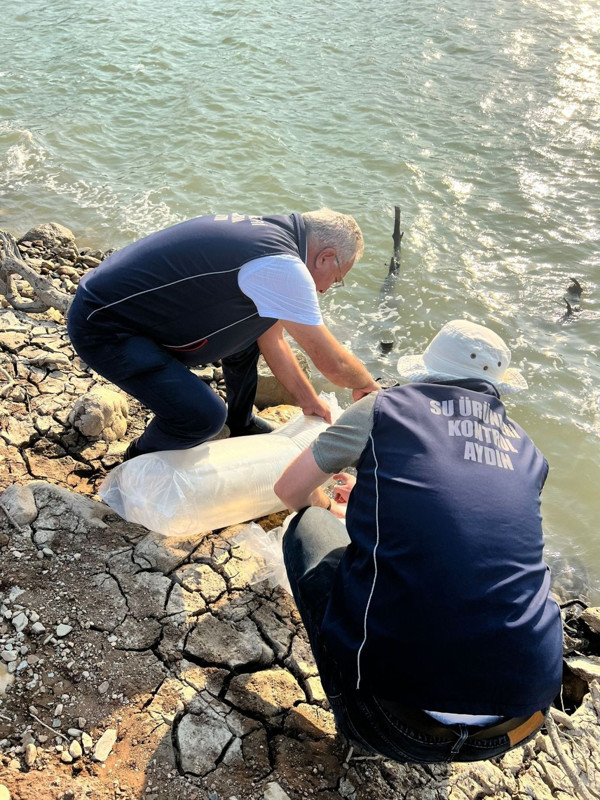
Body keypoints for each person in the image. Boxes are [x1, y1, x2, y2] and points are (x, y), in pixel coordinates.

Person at [274, 319, 563, 763]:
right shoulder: (527, 451)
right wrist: (363, 510)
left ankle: (351, 715)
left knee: (307, 528)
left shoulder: (384, 407)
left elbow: (290, 491)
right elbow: (466, 535)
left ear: (428, 369)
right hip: (517, 724)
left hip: (393, 726)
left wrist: (331, 511)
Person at [67, 209, 379, 459]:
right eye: (336, 278)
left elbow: (272, 338)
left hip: (124, 312)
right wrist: (372, 391)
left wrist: (308, 401)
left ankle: (240, 423)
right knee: (204, 418)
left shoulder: (273, 236)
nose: (324, 289)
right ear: (325, 256)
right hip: (105, 327)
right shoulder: (282, 266)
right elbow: (332, 363)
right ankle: (137, 457)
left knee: (257, 324)